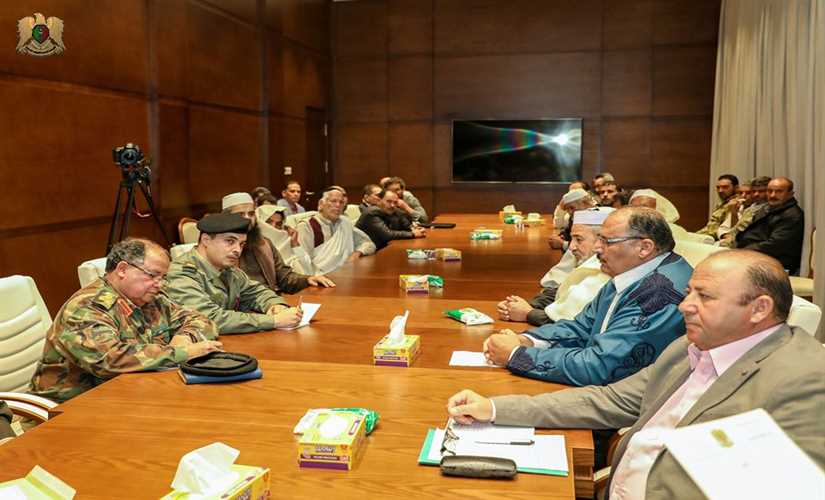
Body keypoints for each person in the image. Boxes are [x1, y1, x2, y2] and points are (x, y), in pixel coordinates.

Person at [448, 250, 825, 500]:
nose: (684, 306)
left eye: (704, 297)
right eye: (689, 292)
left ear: (759, 309)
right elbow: (608, 399)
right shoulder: (691, 346)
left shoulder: (806, 380)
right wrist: (494, 409)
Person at [482, 207, 692, 386]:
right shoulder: (632, 273)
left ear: (645, 248)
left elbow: (603, 367)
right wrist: (527, 340)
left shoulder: (659, 292)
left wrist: (516, 355)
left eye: (607, 241)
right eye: (599, 239)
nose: (597, 248)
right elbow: (581, 327)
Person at [29, 239, 222, 402]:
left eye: (164, 277)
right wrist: (182, 353)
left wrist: (185, 337)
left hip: (128, 395)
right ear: (122, 269)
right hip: (68, 409)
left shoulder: (151, 298)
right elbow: (110, 360)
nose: (160, 284)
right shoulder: (87, 308)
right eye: (153, 275)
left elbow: (202, 320)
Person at [165, 213, 302, 334]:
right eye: (230, 241)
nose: (237, 250)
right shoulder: (181, 274)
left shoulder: (228, 269)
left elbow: (256, 291)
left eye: (241, 244)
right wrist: (273, 321)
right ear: (206, 240)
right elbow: (208, 319)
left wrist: (274, 305)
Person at [498, 208, 612, 326]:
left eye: (579, 239)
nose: (571, 247)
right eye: (571, 239)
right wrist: (516, 306)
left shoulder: (608, 272)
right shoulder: (588, 261)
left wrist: (528, 313)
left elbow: (570, 322)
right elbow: (561, 291)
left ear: (601, 242)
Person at [221, 192, 333, 293]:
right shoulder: (219, 248)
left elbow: (284, 276)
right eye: (240, 214)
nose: (248, 219)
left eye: (251, 214)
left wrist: (307, 279)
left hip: (270, 302)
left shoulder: (264, 243)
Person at [295, 189, 376, 274]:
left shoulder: (344, 223)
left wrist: (357, 253)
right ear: (321, 204)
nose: (338, 205)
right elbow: (302, 261)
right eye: (333, 201)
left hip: (346, 274)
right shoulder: (307, 226)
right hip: (318, 276)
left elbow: (369, 244)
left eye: (341, 202)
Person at [735, 177, 804, 275]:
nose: (772, 195)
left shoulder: (792, 215)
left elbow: (775, 245)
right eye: (770, 191)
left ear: (790, 194)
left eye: (779, 192)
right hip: (756, 257)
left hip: (773, 263)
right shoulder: (770, 208)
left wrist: (742, 252)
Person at [356, 189, 426, 250]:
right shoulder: (371, 212)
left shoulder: (395, 211)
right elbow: (387, 235)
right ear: (379, 201)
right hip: (365, 252)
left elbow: (406, 226)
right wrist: (412, 234)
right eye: (388, 201)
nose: (392, 205)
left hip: (383, 248)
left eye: (395, 202)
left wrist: (415, 229)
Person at [719, 175, 771, 248]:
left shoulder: (768, 210)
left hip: (746, 246)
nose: (756, 194)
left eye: (761, 191)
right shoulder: (750, 208)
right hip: (730, 242)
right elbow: (733, 229)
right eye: (754, 191)